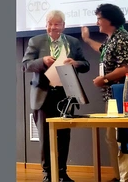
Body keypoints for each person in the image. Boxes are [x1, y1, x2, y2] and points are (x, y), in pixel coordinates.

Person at [22, 10, 90, 182]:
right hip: (43, 96)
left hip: (65, 96)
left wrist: (74, 63)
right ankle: (48, 174)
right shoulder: (35, 41)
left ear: (63, 26)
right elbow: (26, 65)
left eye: (57, 24)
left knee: (64, 137)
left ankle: (61, 173)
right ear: (46, 25)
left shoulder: (73, 42)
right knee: (45, 139)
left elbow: (86, 64)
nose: (53, 27)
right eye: (49, 24)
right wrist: (42, 61)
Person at [81, 3, 128, 182]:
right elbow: (103, 50)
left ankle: (127, 177)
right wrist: (87, 40)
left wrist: (104, 79)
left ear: (110, 20)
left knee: (122, 138)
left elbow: (126, 67)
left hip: (123, 96)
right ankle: (118, 176)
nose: (97, 22)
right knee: (111, 137)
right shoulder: (112, 38)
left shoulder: (122, 37)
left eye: (99, 19)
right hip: (112, 97)